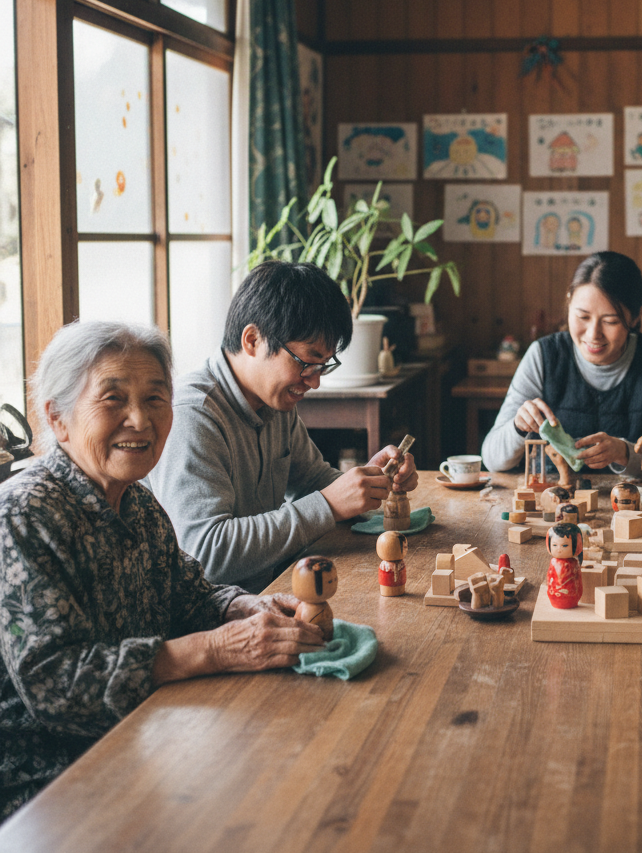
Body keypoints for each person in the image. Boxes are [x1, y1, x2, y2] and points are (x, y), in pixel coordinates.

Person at [0, 321, 327, 821]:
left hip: (146, 735)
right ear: (57, 418)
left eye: (155, 399)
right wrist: (213, 649)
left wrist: (245, 606)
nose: (140, 419)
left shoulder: (138, 504)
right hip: (49, 786)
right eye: (113, 399)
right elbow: (55, 685)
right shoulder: (25, 514)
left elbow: (189, 595)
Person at [147, 261, 417, 592]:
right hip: (213, 610)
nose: (314, 382)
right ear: (252, 340)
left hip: (269, 588)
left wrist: (371, 481)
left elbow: (312, 481)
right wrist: (329, 504)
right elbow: (205, 554)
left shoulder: (273, 401)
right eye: (306, 362)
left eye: (323, 366)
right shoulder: (193, 416)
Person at [481, 251, 642, 479]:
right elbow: (492, 459)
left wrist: (624, 453)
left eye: (610, 321)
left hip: (630, 498)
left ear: (636, 317)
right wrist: (517, 427)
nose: (593, 334)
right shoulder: (544, 355)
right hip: (550, 494)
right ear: (569, 302)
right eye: (583, 317)